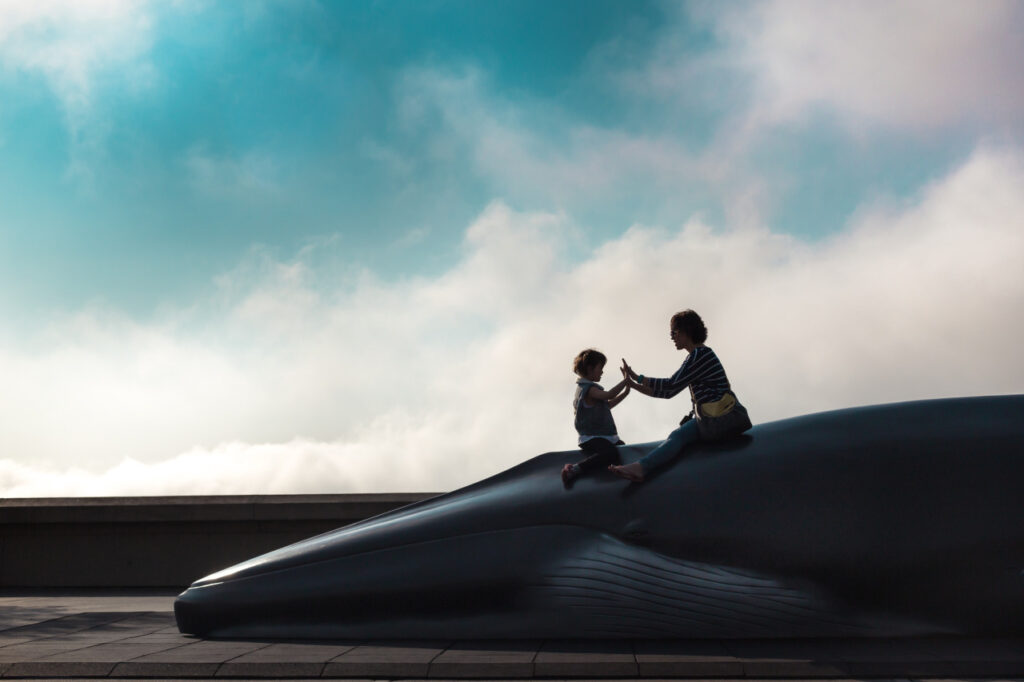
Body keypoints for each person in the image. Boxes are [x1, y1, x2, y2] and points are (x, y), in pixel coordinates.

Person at [608, 309, 750, 483]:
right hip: (715, 417)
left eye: (673, 332)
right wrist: (635, 382)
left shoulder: (699, 356)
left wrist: (637, 380)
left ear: (686, 332)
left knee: (678, 436)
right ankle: (641, 467)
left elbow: (670, 385)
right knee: (679, 435)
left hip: (716, 419)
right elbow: (669, 392)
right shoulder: (700, 355)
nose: (671, 337)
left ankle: (641, 468)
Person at [563, 348, 630, 486]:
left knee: (623, 449)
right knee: (610, 453)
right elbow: (609, 394)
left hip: (604, 436)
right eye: (600, 368)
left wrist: (626, 391)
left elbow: (608, 404)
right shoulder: (589, 390)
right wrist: (625, 381)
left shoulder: (591, 390)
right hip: (592, 437)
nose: (602, 372)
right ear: (590, 368)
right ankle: (575, 469)